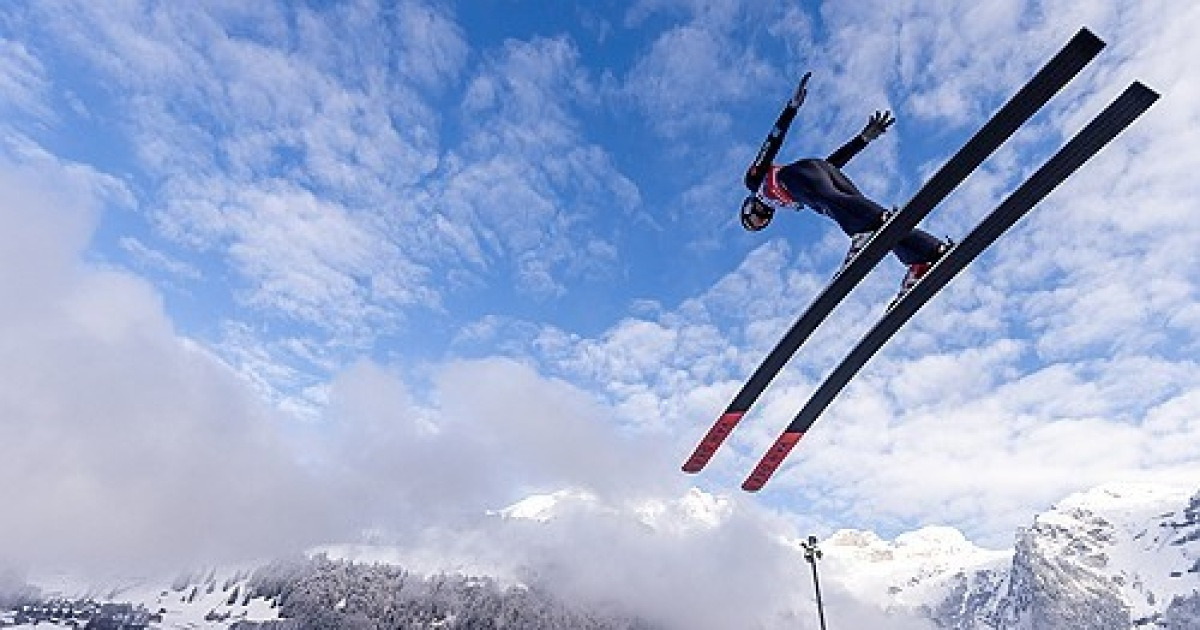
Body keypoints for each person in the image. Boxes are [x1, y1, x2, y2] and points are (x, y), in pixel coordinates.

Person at [740, 110, 950, 302]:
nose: (761, 218)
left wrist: (791, 109)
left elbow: (772, 142)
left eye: (754, 218)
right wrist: (862, 140)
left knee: (841, 208)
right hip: (824, 171)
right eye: (760, 223)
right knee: (881, 224)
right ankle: (926, 255)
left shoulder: (755, 183)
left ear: (748, 206)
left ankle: (863, 231)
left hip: (797, 175)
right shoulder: (787, 202)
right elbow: (827, 168)